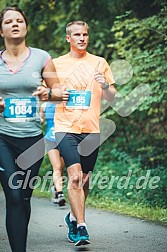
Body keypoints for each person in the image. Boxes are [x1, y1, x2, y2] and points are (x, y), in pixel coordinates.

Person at [0, 6, 67, 252]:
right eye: (9, 21)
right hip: (3, 138)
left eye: (19, 20)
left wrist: (47, 93)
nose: (15, 23)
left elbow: (60, 93)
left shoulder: (41, 58)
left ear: (26, 27)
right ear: (1, 30)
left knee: (24, 197)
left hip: (33, 140)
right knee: (14, 196)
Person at [53, 21, 116, 246]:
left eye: (85, 34)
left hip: (91, 129)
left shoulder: (100, 63)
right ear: (68, 38)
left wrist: (106, 85)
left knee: (85, 180)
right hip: (64, 128)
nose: (82, 38)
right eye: (77, 35)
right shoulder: (56, 64)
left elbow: (113, 98)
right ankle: (81, 227)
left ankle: (72, 217)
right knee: (76, 177)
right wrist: (57, 93)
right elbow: (45, 92)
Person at [40, 101, 66, 206]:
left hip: (65, 139)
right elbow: (41, 120)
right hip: (50, 139)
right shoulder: (44, 105)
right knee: (57, 167)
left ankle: (55, 188)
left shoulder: (65, 102)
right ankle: (60, 194)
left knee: (62, 167)